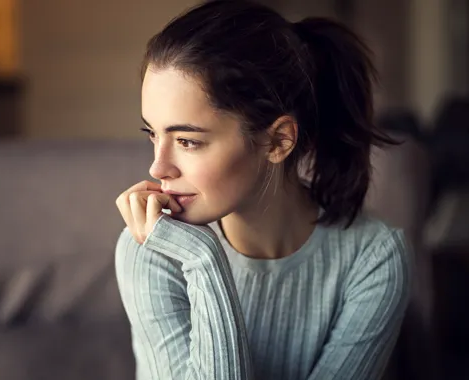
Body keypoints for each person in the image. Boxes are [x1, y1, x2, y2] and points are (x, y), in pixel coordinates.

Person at [114, 0, 411, 379]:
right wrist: (202, 257)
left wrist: (205, 260)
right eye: (153, 134)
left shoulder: (373, 259)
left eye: (187, 141)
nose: (157, 167)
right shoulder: (152, 251)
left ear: (278, 141)